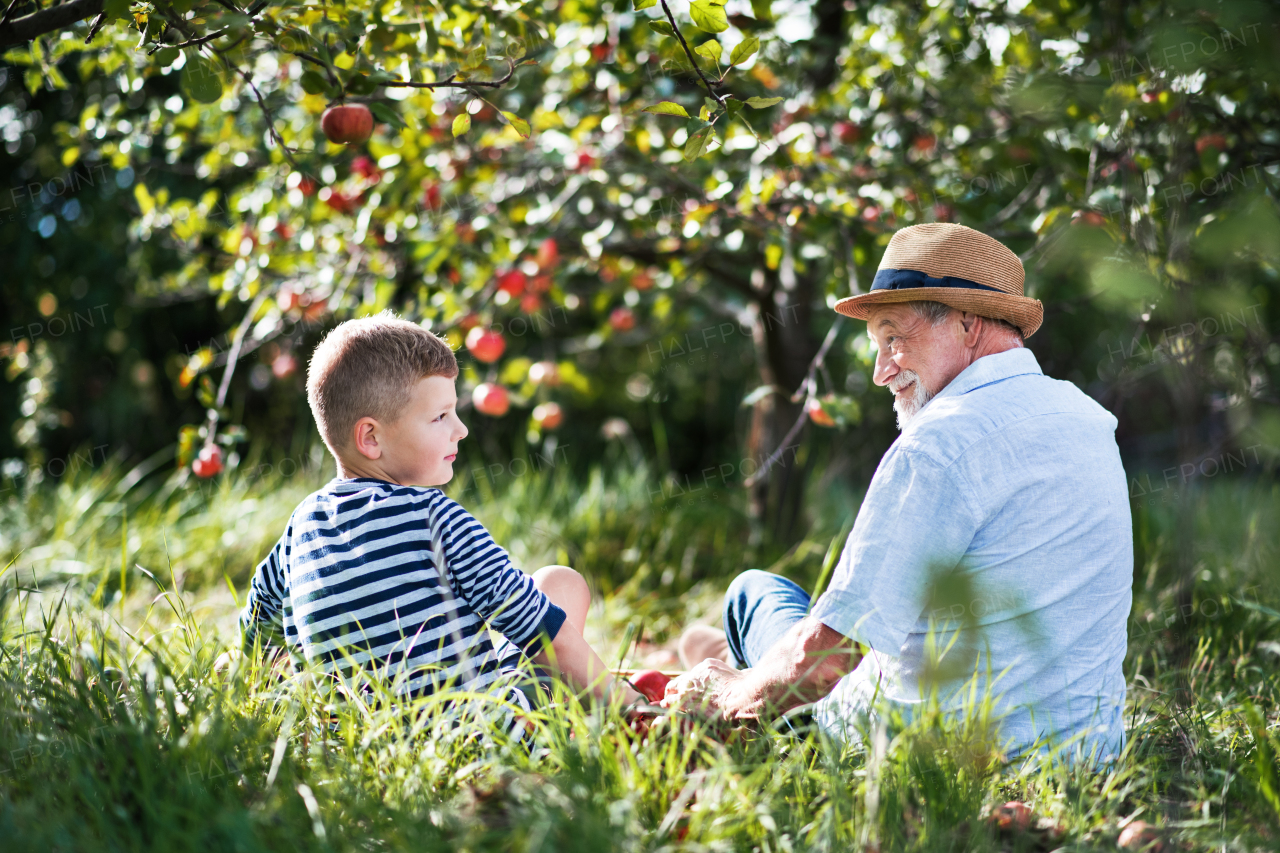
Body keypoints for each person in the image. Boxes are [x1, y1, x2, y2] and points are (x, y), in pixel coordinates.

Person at [672, 223, 1133, 762]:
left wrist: (729, 699)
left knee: (751, 592)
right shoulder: (1087, 417)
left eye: (894, 338)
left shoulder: (939, 444)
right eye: (877, 345)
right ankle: (727, 661)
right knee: (769, 624)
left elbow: (826, 662)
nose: (879, 372)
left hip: (926, 754)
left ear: (965, 324)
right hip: (1083, 753)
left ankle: (727, 669)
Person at [236, 312, 641, 726]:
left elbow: (257, 630)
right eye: (440, 417)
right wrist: (626, 701)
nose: (461, 430)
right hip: (483, 741)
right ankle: (594, 720)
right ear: (371, 438)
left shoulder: (300, 529)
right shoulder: (435, 519)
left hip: (363, 751)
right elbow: (537, 627)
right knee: (561, 585)